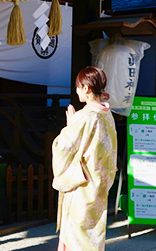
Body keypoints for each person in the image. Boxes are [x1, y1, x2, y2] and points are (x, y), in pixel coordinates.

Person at [52, 66, 117, 251]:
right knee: (92, 235)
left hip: (81, 184)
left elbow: (63, 147)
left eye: (78, 87)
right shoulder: (107, 113)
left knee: (76, 235)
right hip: (99, 181)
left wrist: (69, 125)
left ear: (86, 89)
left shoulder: (84, 117)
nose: (77, 90)